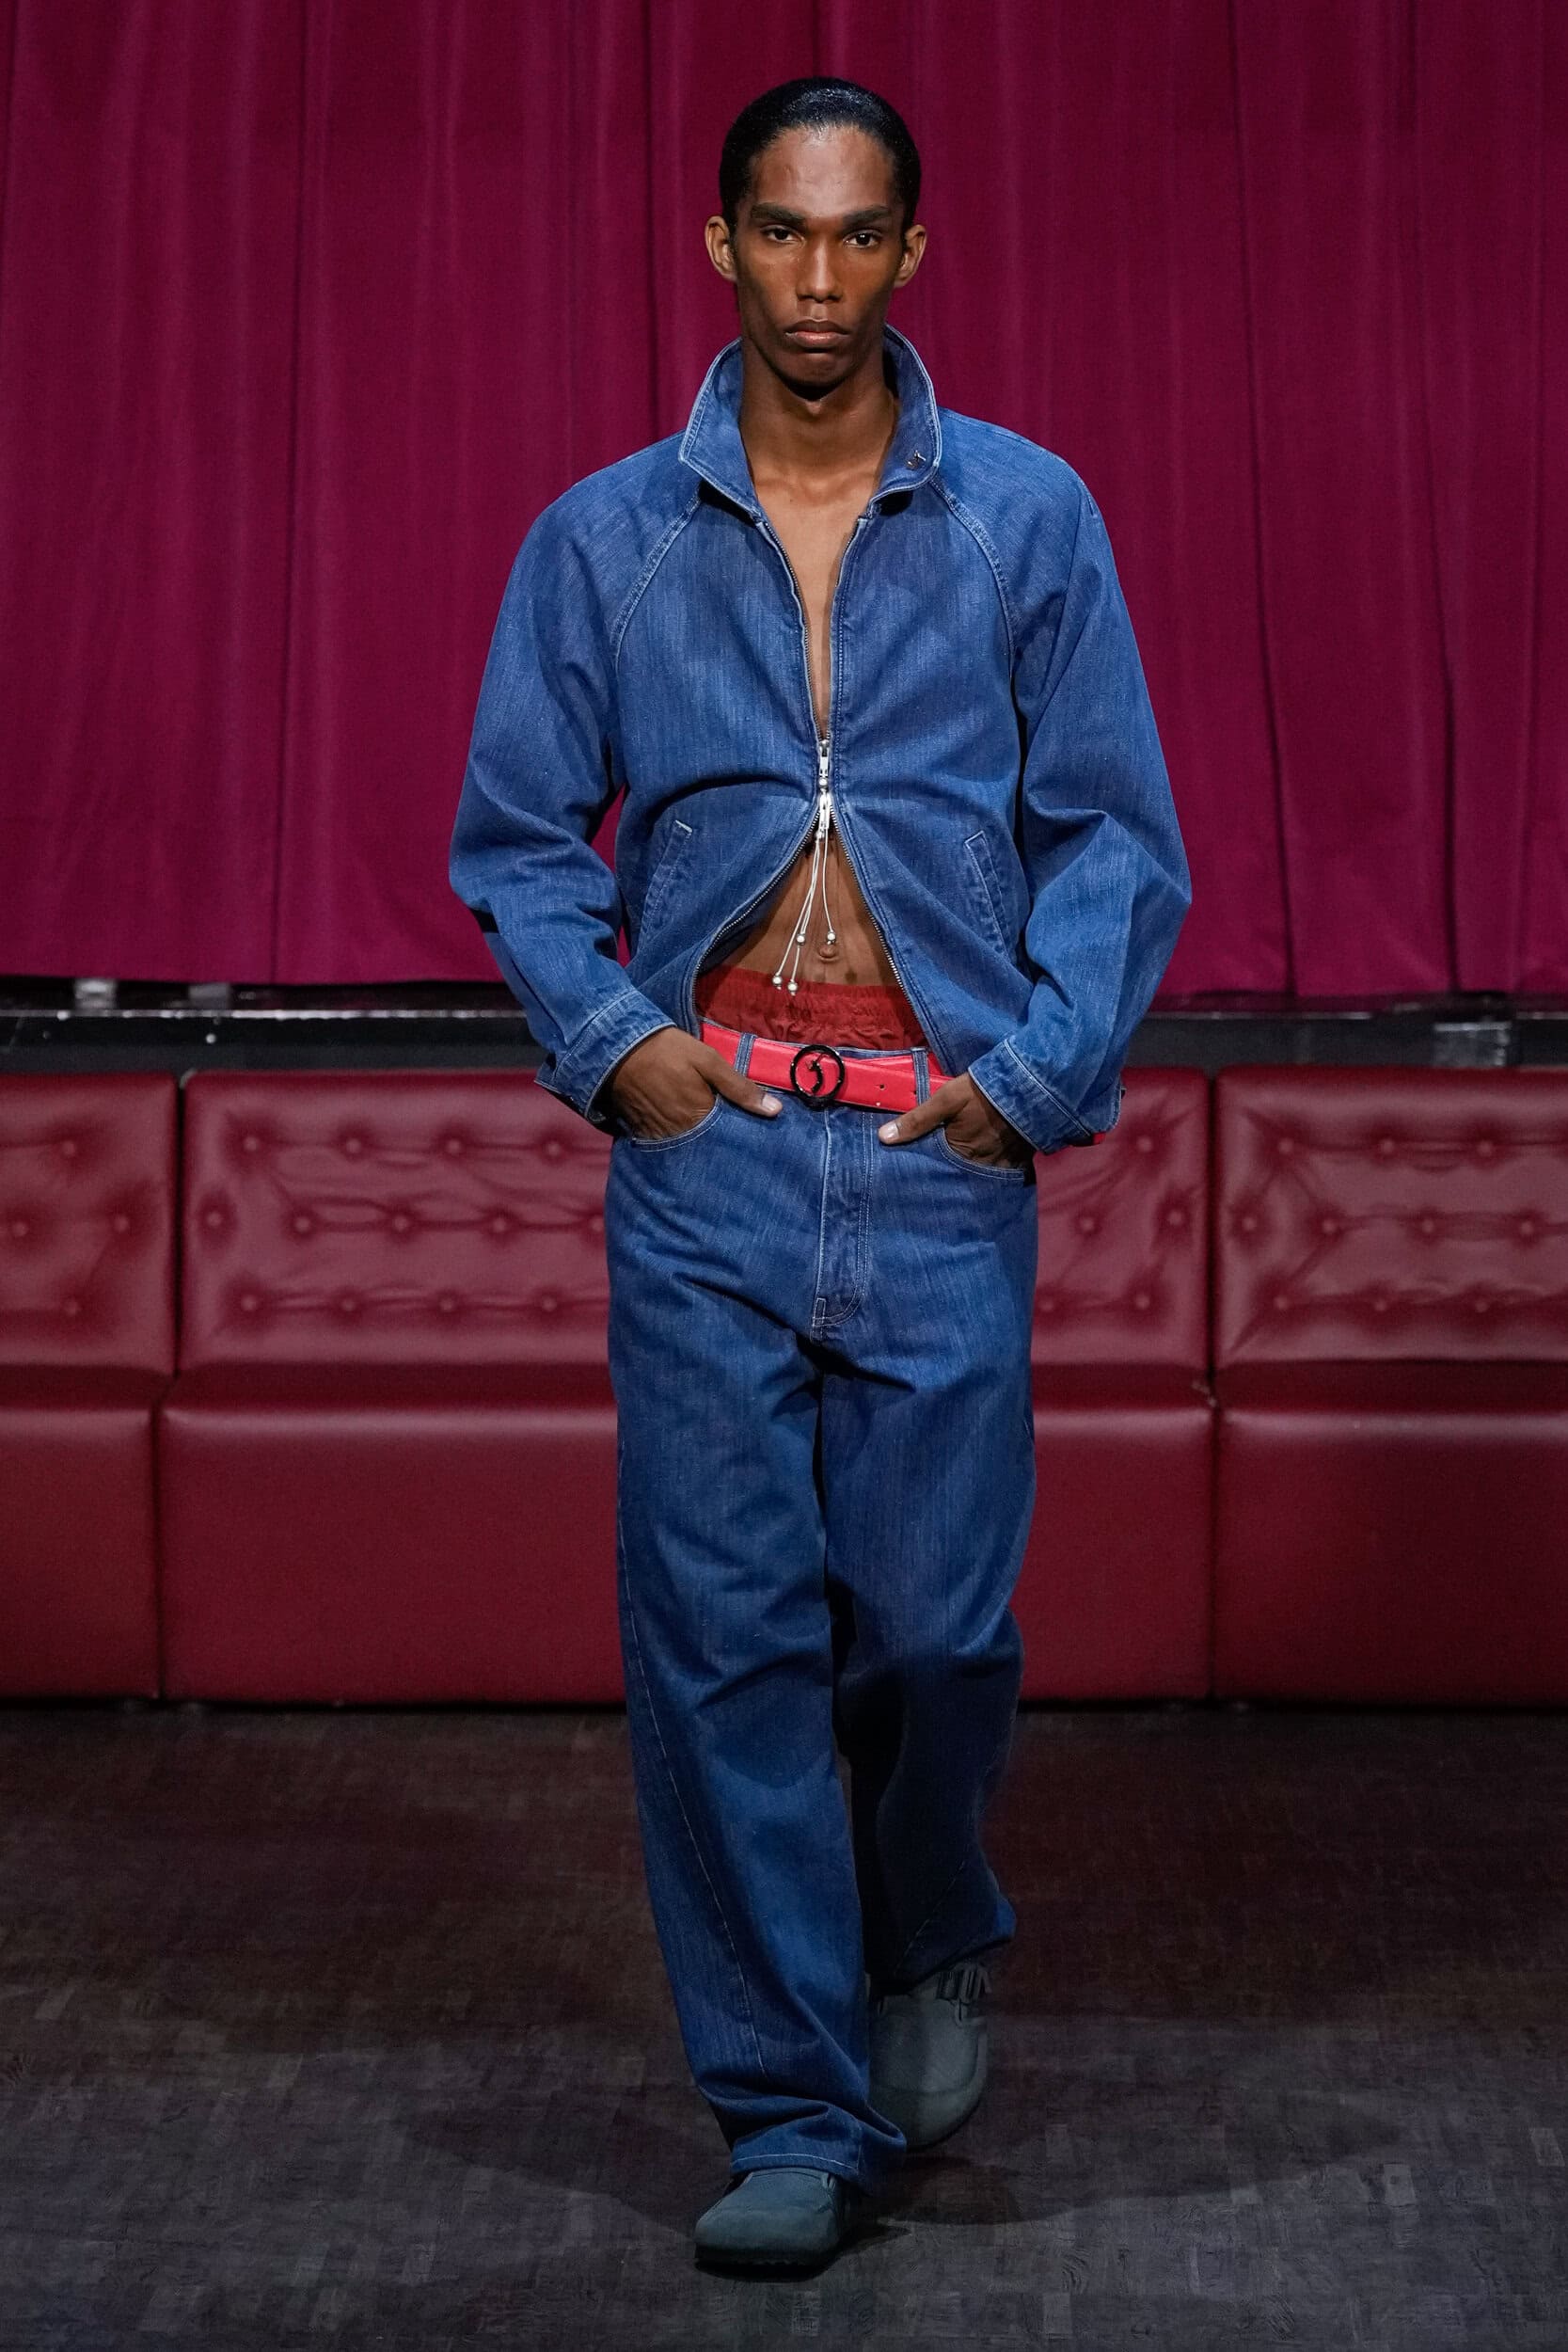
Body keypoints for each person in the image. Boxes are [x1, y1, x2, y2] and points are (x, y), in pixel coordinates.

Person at [449, 76, 1191, 2271]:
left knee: (938, 1632)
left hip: (939, 1151)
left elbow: (1117, 838)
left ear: (913, 252)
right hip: (717, 1160)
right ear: (720, 243)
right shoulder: (605, 542)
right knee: (722, 1644)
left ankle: (925, 1918)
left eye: (860, 234)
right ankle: (787, 2100)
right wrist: (625, 1051)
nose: (818, 275)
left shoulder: (1026, 520)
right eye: (782, 229)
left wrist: (1028, 1079)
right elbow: (516, 840)